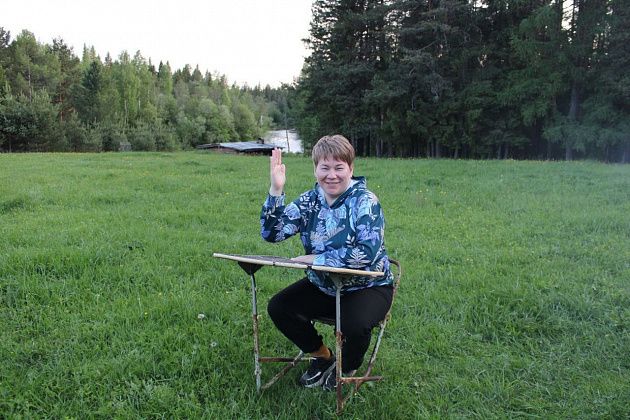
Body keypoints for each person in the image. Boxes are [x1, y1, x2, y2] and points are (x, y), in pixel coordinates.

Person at [260, 134, 394, 391]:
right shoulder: (309, 201)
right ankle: (322, 357)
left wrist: (316, 259)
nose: (331, 175)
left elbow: (365, 253)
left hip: (367, 286)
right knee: (279, 307)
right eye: (325, 167)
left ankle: (346, 368)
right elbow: (271, 233)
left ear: (350, 169)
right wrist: (276, 190)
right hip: (324, 285)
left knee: (354, 325)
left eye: (339, 167)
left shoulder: (366, 202)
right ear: (315, 169)